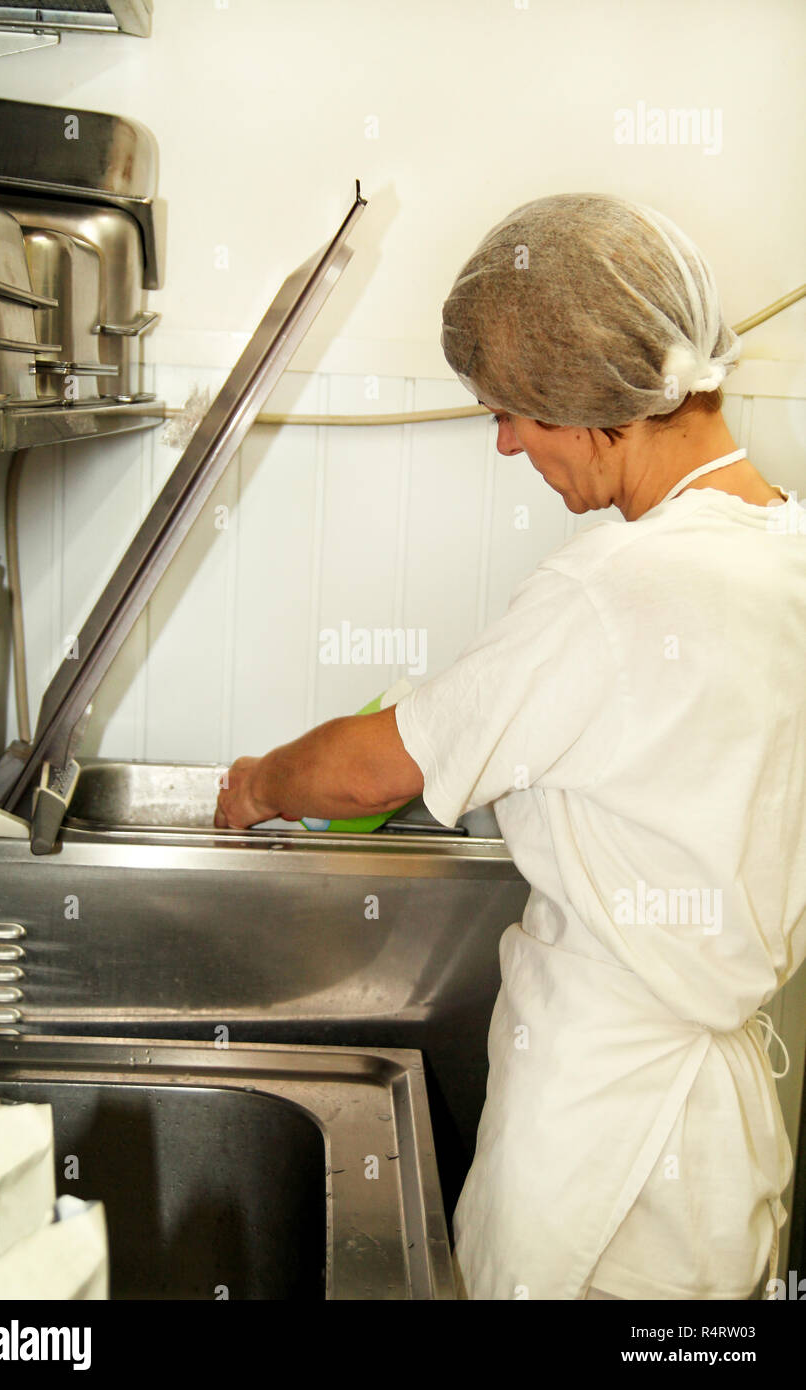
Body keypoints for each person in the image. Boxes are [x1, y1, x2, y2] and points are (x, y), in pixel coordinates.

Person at [214, 193, 806, 1300]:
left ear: (589, 402)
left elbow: (374, 765)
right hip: (718, 1146)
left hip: (602, 1149)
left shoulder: (615, 586)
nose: (502, 442)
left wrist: (257, 785)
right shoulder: (785, 549)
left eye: (511, 412)